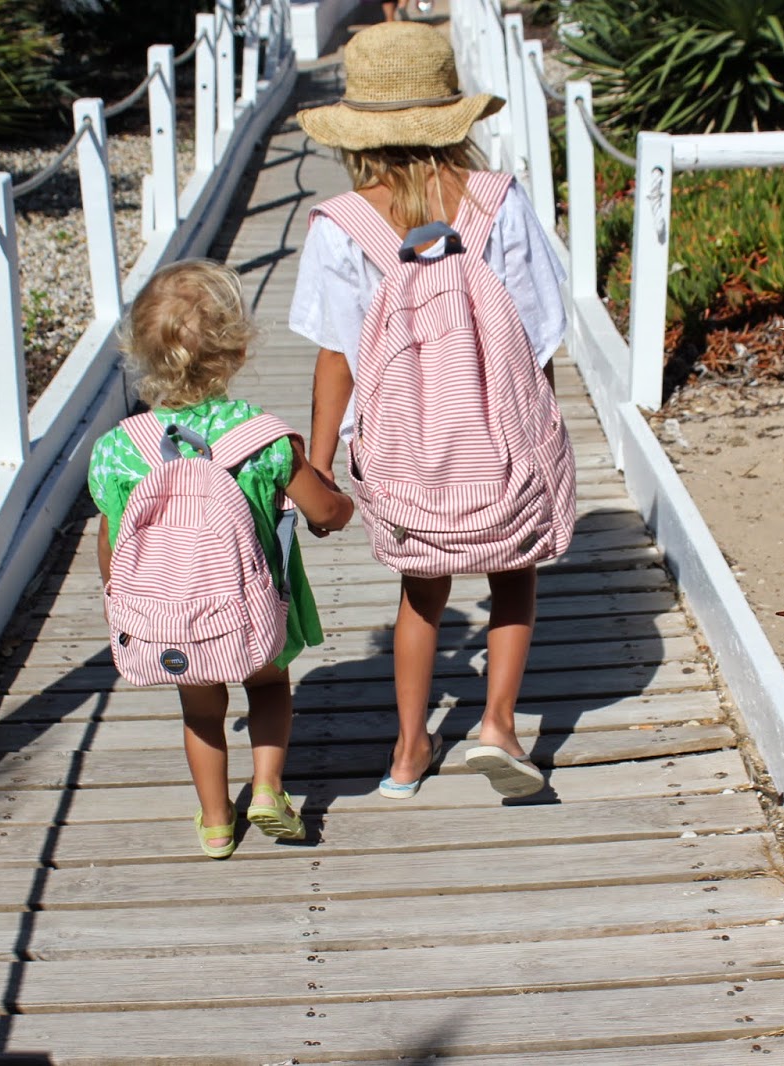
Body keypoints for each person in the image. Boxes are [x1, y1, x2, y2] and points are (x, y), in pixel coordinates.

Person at [289, 22, 568, 801]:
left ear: (357, 131)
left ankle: (409, 751)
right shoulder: (498, 203)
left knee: (421, 588)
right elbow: (537, 333)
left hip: (404, 444)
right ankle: (498, 725)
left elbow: (337, 358)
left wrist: (320, 466)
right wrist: (540, 429)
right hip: (498, 430)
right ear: (452, 117)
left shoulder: (339, 226)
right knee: (513, 572)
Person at [90, 260, 355, 858]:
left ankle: (215, 821)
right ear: (237, 350)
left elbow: (112, 545)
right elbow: (323, 510)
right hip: (253, 605)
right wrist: (338, 509)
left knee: (202, 712)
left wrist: (121, 600)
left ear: (140, 355)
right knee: (269, 686)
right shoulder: (263, 437)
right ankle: (267, 788)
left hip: (172, 616)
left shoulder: (116, 452)